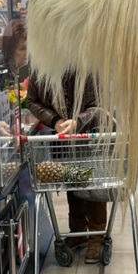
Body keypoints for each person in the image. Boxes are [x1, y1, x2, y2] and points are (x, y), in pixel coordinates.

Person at [26, 70, 108, 263]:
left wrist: (78, 122)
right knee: (71, 179)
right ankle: (77, 231)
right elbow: (32, 100)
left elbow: (101, 103)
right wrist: (56, 121)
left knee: (92, 182)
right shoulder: (41, 69)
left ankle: (96, 237)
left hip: (90, 133)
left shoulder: (87, 66)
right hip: (62, 136)